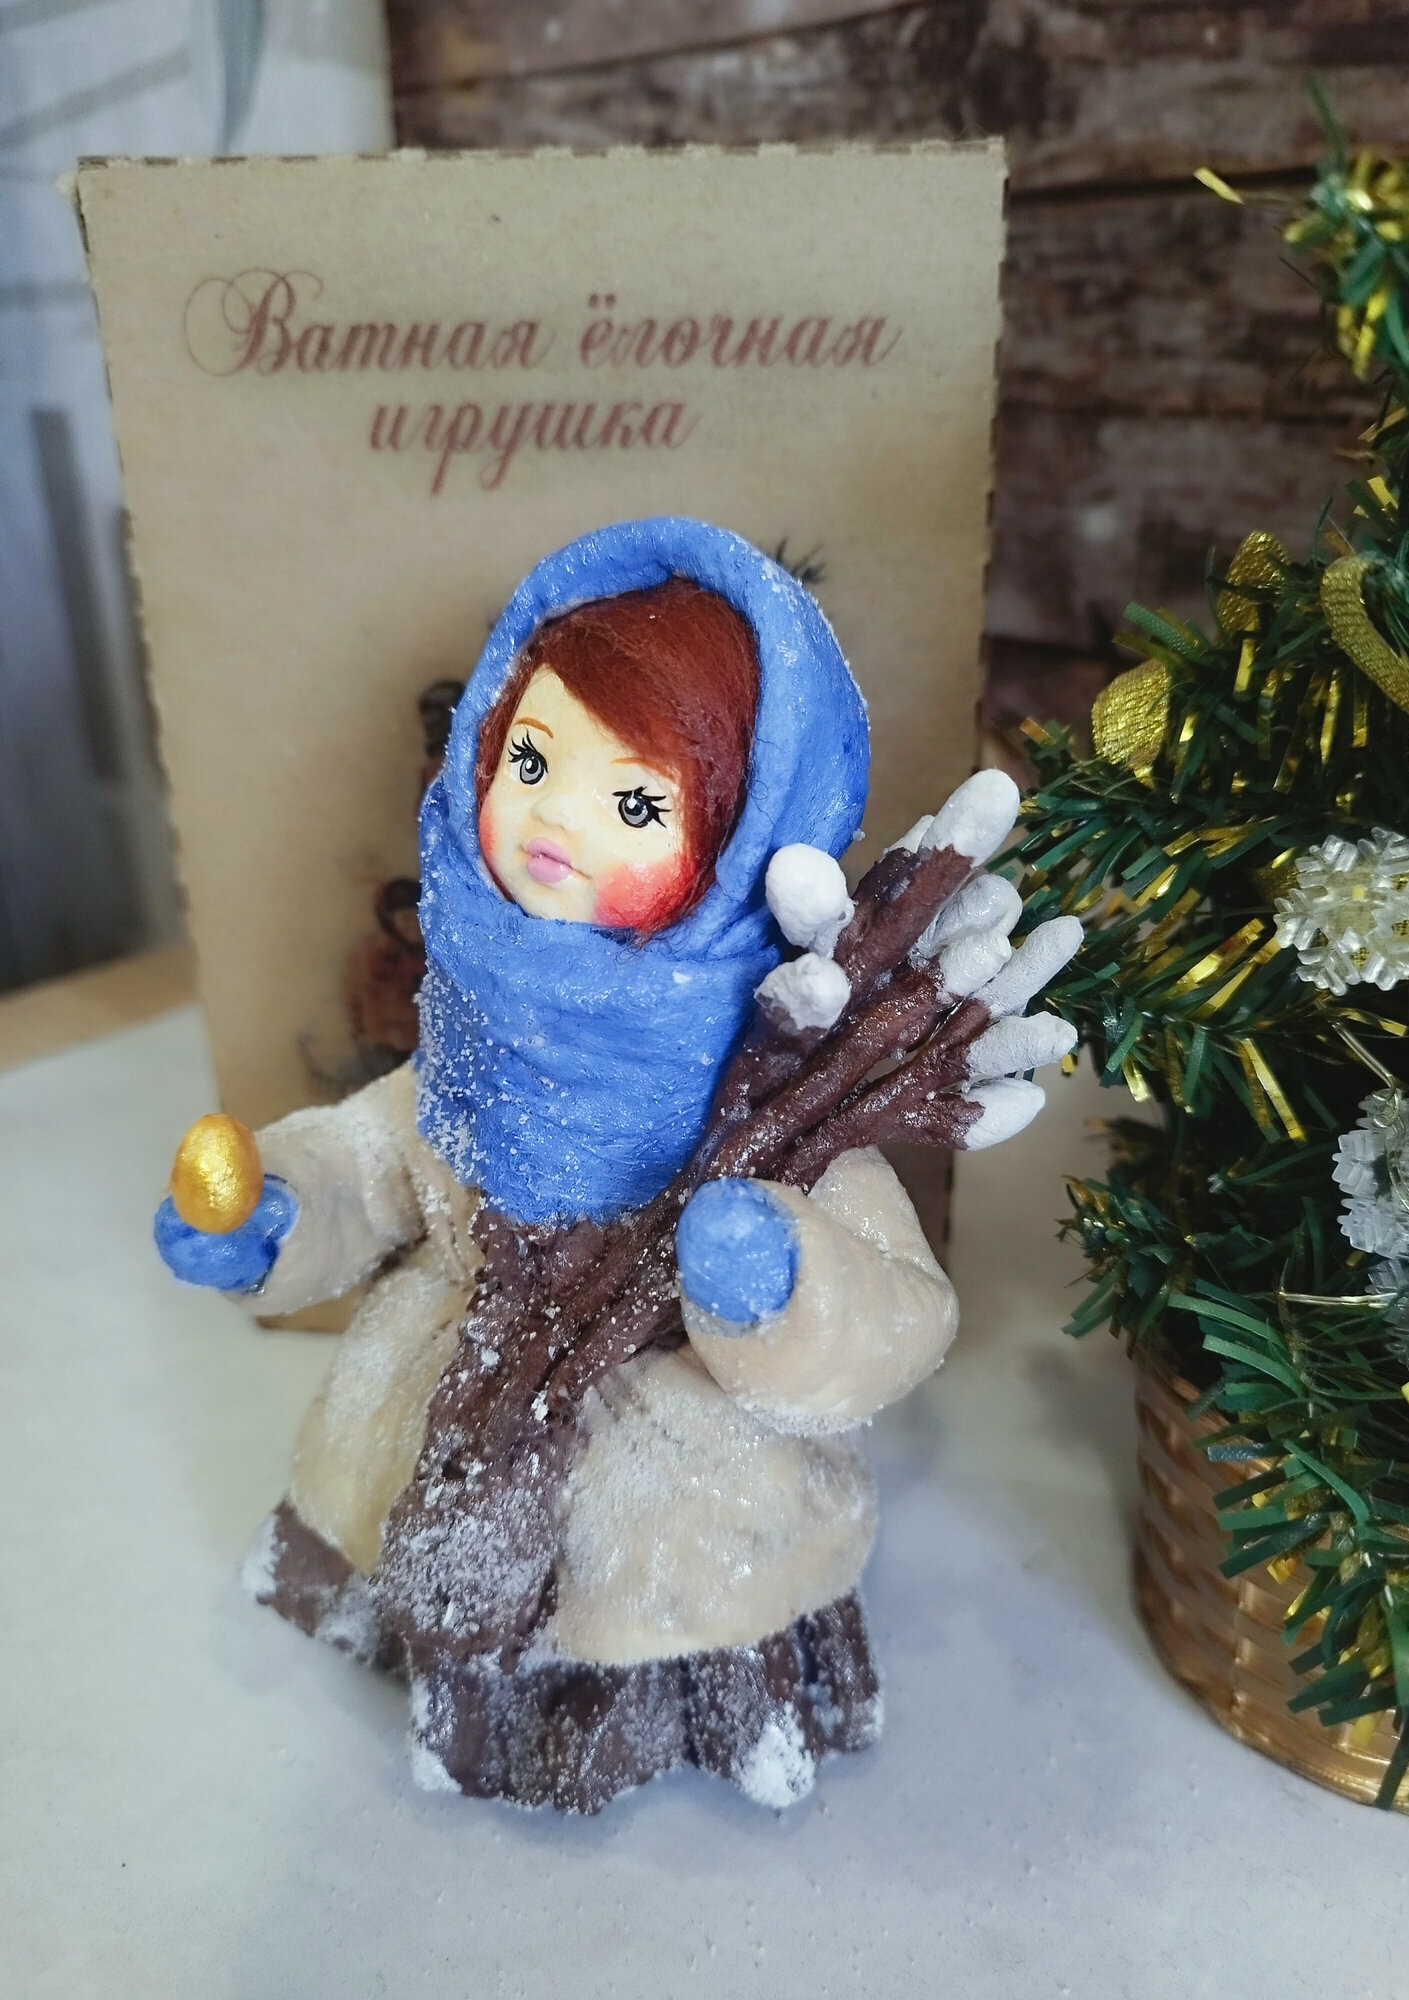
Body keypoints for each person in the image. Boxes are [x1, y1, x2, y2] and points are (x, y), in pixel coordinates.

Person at [155, 517, 1071, 1813]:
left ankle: (636, 1714)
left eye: (637, 803)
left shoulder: (781, 1084)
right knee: (385, 1469)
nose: (552, 818)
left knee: (655, 1569)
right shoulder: (480, 1023)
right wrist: (279, 1212)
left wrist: (778, 1286)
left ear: (744, 841)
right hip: (449, 1392)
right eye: (530, 758)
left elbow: (897, 1310)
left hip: (673, 1466)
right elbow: (378, 1157)